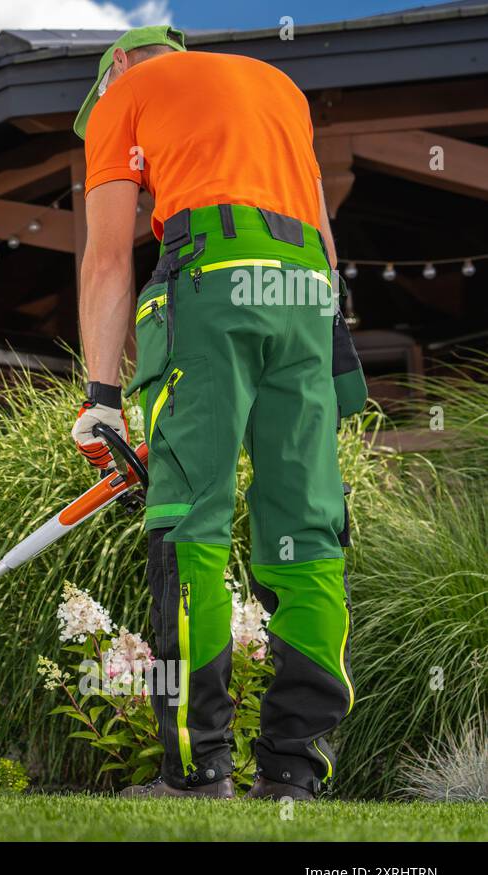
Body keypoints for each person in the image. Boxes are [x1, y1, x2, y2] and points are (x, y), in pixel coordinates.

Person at [69, 26, 366, 800]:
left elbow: (106, 254)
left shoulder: (123, 93)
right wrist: (332, 347)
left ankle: (197, 770)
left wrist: (102, 399)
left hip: (212, 282)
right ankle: (294, 772)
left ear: (121, 64)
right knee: (306, 528)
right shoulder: (279, 88)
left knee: (188, 518)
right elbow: (324, 238)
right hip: (306, 298)